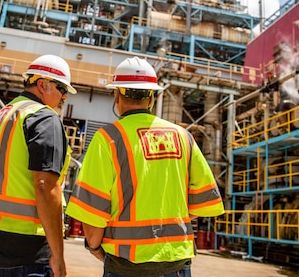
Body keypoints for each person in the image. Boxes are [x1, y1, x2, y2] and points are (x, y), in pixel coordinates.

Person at [66, 56, 225, 277]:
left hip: (125, 264)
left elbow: (93, 212)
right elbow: (204, 203)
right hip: (176, 263)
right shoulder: (184, 137)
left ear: (117, 95)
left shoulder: (108, 138)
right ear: (151, 97)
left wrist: (94, 247)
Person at [0, 54, 77, 277]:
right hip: (20, 243)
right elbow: (45, 186)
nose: (64, 95)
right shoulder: (44, 118)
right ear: (42, 84)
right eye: (62, 87)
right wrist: (57, 253)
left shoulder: (3, 114)